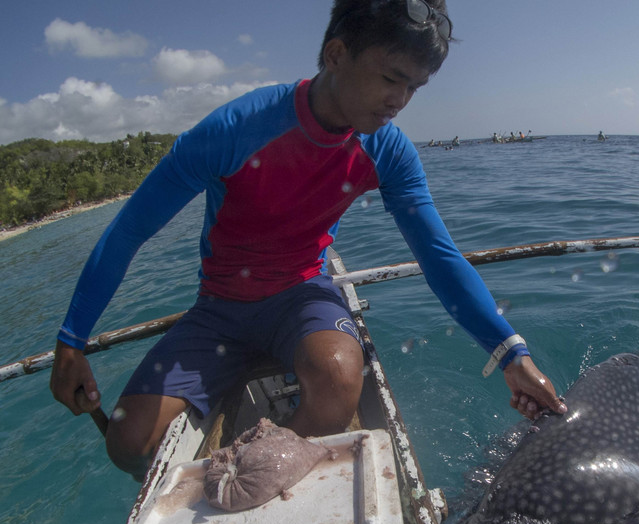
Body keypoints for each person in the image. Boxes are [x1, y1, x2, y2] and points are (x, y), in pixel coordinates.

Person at [50, 0, 566, 480]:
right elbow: (129, 231)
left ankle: (250, 475)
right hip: (219, 307)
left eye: (414, 87)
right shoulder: (233, 129)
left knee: (341, 380)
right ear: (336, 54)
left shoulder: (387, 151)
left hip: (303, 295)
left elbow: (437, 256)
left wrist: (511, 356)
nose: (399, 101)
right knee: (129, 442)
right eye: (391, 78)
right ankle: (250, 471)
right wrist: (72, 341)